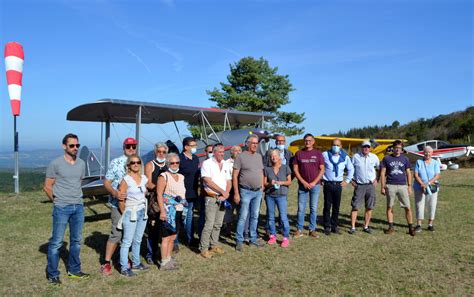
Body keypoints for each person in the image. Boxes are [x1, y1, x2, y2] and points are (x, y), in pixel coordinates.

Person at [43, 133, 89, 286]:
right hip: (62, 207)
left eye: (77, 145)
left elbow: (78, 182)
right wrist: (57, 201)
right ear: (64, 146)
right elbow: (47, 186)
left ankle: (74, 270)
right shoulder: (55, 164)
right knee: (56, 242)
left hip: (78, 206)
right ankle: (52, 274)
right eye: (72, 145)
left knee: (76, 240)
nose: (75, 148)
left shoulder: (81, 163)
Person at [100, 137, 137, 276]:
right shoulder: (116, 162)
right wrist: (115, 193)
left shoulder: (137, 162)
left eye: (134, 146)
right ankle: (106, 262)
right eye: (129, 147)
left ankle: (124, 258)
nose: (131, 149)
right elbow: (107, 182)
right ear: (124, 147)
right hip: (117, 204)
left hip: (133, 205)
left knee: (130, 234)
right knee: (117, 233)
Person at [117, 155, 149, 277]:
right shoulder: (126, 180)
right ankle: (124, 267)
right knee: (127, 242)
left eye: (138, 162)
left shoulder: (144, 178)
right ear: (128, 165)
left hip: (142, 211)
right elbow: (121, 199)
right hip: (131, 212)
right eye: (133, 162)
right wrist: (125, 212)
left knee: (138, 240)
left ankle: (136, 263)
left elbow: (144, 192)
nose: (135, 164)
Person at [199, 145, 232, 258]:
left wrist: (226, 193)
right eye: (220, 152)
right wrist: (223, 191)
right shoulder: (207, 163)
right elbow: (207, 181)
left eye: (223, 152)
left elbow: (229, 181)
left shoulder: (226, 164)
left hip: (223, 198)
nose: (222, 154)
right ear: (214, 152)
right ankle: (204, 248)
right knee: (209, 224)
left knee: (218, 224)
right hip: (212, 197)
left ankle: (214, 245)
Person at [233, 134, 265, 252]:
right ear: (247, 144)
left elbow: (261, 172)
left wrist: (262, 186)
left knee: (255, 216)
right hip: (245, 191)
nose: (255, 145)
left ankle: (253, 239)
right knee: (243, 216)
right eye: (253, 143)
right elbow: (235, 175)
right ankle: (239, 241)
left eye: (257, 143)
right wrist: (236, 193)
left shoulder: (258, 156)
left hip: (257, 192)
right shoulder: (240, 157)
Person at [157, 153, 188, 270]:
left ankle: (169, 259)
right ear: (167, 163)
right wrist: (162, 211)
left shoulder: (181, 176)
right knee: (166, 237)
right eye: (172, 163)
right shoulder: (163, 176)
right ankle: (164, 262)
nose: (175, 165)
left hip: (179, 209)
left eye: (177, 162)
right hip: (168, 211)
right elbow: (159, 194)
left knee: (173, 236)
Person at [380, 140, 416, 236]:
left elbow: (408, 172)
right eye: (396, 148)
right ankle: (391, 227)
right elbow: (383, 173)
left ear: (401, 149)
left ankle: (410, 228)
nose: (397, 150)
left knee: (408, 207)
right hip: (390, 185)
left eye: (399, 148)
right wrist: (383, 186)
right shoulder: (387, 158)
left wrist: (409, 186)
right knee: (390, 206)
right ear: (393, 148)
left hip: (402, 185)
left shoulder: (405, 159)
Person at [293, 133, 325, 238]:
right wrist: (303, 182)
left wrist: (314, 182)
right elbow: (295, 170)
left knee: (313, 208)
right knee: (301, 208)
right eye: (306, 140)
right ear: (304, 141)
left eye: (310, 140)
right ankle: (299, 229)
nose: (308, 142)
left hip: (315, 185)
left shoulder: (318, 153)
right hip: (303, 185)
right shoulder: (298, 153)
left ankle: (312, 229)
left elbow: (322, 169)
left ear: (313, 142)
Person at [322, 138, 354, 235]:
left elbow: (351, 169)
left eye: (337, 145)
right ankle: (327, 226)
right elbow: (318, 166)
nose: (335, 147)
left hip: (338, 185)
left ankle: (334, 226)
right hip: (328, 184)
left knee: (336, 207)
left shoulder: (345, 157)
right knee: (327, 206)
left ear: (341, 146)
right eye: (334, 145)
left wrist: (347, 180)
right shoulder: (325, 155)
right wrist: (320, 178)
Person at [263, 134, 293, 236]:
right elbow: (265, 166)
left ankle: (281, 228)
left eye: (282, 141)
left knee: (282, 211)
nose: (280, 143)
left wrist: (285, 183)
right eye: (278, 141)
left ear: (285, 142)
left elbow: (290, 170)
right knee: (270, 212)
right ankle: (269, 229)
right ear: (275, 142)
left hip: (283, 187)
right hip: (271, 187)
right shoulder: (269, 153)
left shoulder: (289, 153)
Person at [144, 143, 168, 264]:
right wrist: (160, 190)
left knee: (164, 228)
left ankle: (163, 251)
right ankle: (150, 254)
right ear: (155, 152)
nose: (161, 154)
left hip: (166, 200)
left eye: (164, 152)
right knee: (153, 228)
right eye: (159, 151)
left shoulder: (169, 165)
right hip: (154, 200)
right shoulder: (150, 165)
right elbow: (148, 183)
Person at [349, 140, 379, 234]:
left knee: (369, 207)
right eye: (364, 147)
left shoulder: (374, 157)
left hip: (370, 185)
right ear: (361, 148)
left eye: (368, 147)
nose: (366, 148)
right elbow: (349, 168)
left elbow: (380, 168)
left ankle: (366, 226)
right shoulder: (355, 157)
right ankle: (353, 227)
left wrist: (377, 179)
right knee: (355, 206)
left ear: (370, 148)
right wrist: (351, 180)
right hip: (359, 185)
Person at [178, 137, 200, 248]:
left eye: (195, 145)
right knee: (179, 217)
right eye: (193, 145)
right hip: (181, 194)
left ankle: (190, 239)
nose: (195, 147)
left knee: (189, 217)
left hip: (192, 193)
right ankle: (175, 241)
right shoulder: (179, 159)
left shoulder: (196, 158)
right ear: (186, 147)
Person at [413, 146, 441, 232]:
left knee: (432, 205)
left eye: (429, 152)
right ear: (423, 153)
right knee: (419, 205)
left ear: (432, 153)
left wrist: (428, 183)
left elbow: (437, 175)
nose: (427, 154)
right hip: (419, 187)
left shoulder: (435, 162)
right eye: (426, 152)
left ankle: (430, 224)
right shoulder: (419, 162)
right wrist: (422, 184)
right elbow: (416, 174)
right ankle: (419, 225)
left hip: (432, 188)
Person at [222, 145, 242, 236]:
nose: (238, 152)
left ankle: (239, 230)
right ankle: (228, 230)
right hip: (230, 190)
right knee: (229, 211)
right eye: (236, 151)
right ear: (231, 152)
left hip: (241, 189)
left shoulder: (243, 162)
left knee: (241, 211)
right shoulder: (226, 163)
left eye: (239, 150)